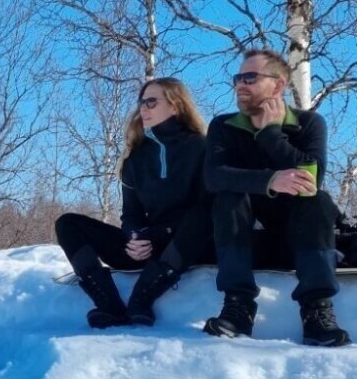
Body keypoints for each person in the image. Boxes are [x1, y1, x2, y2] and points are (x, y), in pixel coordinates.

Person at [203, 48, 350, 346]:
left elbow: (312, 180)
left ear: (279, 85)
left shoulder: (309, 123)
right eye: (238, 78)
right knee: (227, 197)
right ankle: (238, 307)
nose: (240, 84)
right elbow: (214, 177)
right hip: (245, 244)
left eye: (250, 77)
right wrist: (271, 180)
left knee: (317, 200)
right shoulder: (223, 125)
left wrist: (271, 134)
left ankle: (317, 311)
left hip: (303, 244)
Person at [55, 78, 212, 328]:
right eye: (142, 102)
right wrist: (134, 236)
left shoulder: (203, 148)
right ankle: (108, 304)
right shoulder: (135, 157)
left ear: (176, 106)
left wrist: (157, 234)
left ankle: (142, 299)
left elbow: (205, 209)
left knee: (200, 219)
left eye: (152, 101)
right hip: (148, 247)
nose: (143, 108)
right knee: (68, 224)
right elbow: (131, 214)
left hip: (189, 246)